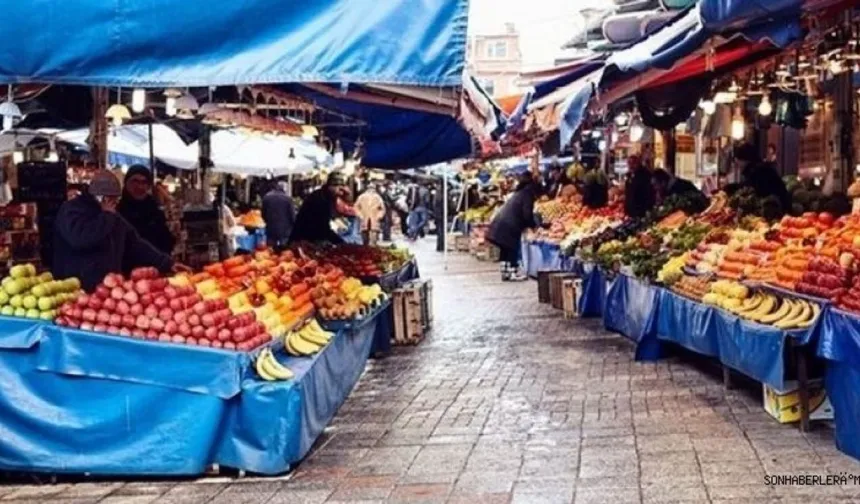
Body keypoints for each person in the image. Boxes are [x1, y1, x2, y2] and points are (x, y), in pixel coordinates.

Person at [53, 170, 187, 292]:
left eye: (116, 199)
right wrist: (106, 217)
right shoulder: (72, 210)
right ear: (101, 197)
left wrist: (168, 263)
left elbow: (136, 244)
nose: (114, 203)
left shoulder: (112, 216)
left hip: (108, 289)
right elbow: (81, 239)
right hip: (76, 289)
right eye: (111, 199)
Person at [486, 172, 541, 282]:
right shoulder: (527, 194)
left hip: (501, 224)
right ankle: (512, 273)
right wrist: (532, 225)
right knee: (511, 249)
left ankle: (505, 273)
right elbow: (527, 214)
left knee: (505, 250)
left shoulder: (520, 192)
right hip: (509, 226)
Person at [116, 165, 175, 255]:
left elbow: (166, 242)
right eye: (135, 181)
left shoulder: (155, 212)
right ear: (126, 183)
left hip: (155, 266)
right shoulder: (118, 213)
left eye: (144, 182)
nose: (140, 187)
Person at [289, 172, 348, 244]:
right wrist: (342, 243)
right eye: (338, 187)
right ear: (330, 186)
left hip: (308, 239)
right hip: (303, 240)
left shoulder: (325, 196)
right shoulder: (320, 199)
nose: (340, 190)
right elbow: (323, 228)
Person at [735, 143, 791, 213]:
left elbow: (755, 194)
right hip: (779, 209)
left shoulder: (757, 172)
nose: (738, 167)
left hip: (777, 212)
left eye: (738, 162)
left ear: (745, 160)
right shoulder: (759, 168)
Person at [261, 181, 296, 251]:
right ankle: (281, 258)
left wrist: (267, 221)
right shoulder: (288, 199)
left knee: (270, 248)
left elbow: (263, 213)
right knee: (284, 248)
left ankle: (270, 258)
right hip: (285, 228)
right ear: (284, 189)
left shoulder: (267, 197)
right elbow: (292, 215)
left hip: (271, 226)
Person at [624, 154, 655, 219]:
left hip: (641, 211)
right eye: (629, 163)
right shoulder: (628, 176)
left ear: (638, 163)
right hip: (631, 211)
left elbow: (648, 194)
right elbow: (628, 193)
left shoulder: (645, 175)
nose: (631, 165)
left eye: (633, 163)